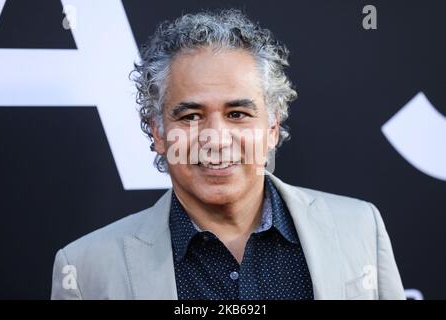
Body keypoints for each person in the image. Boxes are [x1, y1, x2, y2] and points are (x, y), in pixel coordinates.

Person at [51, 9, 405, 300]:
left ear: (271, 127)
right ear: (158, 132)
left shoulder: (360, 228)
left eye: (237, 114)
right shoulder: (86, 270)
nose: (216, 139)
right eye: (191, 116)